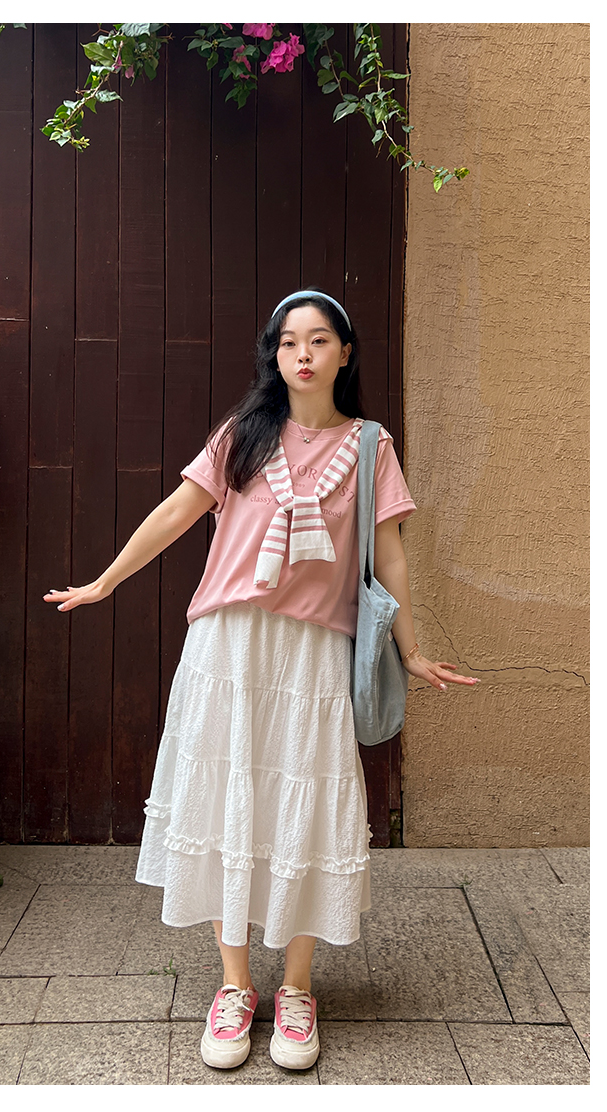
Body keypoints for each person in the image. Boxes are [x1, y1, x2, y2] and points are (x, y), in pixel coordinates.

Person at [44, 288, 479, 1072]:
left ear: (345, 353)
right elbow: (176, 512)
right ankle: (235, 986)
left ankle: (299, 990)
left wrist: (411, 650)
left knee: (304, 813)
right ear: (273, 355)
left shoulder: (371, 446)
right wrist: (107, 581)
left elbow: (391, 552)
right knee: (227, 806)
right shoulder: (241, 435)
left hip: (314, 654)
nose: (302, 354)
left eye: (318, 340)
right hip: (229, 648)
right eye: (287, 342)